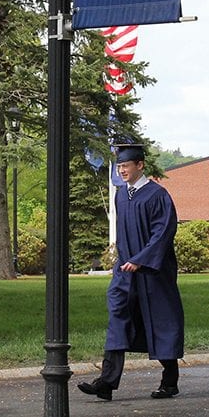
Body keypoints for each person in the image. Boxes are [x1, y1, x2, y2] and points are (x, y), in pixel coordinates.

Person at [77, 144, 184, 401]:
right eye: (119, 166)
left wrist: (141, 259)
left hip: (153, 273)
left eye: (126, 165)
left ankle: (170, 381)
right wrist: (123, 262)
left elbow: (164, 232)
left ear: (140, 165)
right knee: (118, 319)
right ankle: (106, 381)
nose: (122, 170)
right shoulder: (121, 196)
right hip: (125, 271)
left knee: (160, 323)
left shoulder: (157, 195)